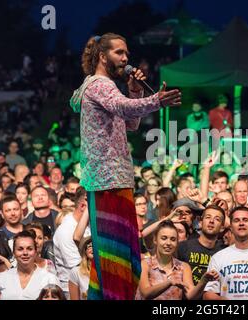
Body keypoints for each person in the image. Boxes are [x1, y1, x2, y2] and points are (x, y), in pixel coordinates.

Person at [70, 32, 181, 300]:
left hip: (113, 180)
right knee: (116, 258)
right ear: (101, 56)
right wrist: (156, 100)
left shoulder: (102, 85)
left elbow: (129, 122)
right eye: (119, 52)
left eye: (127, 53)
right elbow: (124, 107)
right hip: (109, 181)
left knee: (117, 254)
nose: (125, 58)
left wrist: (135, 90)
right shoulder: (99, 85)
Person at [137, 220, 218, 300]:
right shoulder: (145, 264)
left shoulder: (183, 267)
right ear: (155, 240)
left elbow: (190, 295)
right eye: (164, 238)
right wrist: (169, 282)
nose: (168, 243)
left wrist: (203, 281)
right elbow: (145, 294)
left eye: (173, 239)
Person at [0, 230, 60, 300]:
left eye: (29, 249)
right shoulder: (2, 278)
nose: (25, 253)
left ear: (35, 252)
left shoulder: (49, 279)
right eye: (20, 249)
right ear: (14, 253)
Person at [53, 187, 89, 298]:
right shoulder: (66, 230)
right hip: (72, 291)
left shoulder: (91, 224)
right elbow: (78, 267)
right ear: (83, 206)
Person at [177, 205, 225, 285]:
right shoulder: (183, 247)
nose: (211, 221)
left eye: (217, 219)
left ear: (222, 227)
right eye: (208, 217)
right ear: (200, 222)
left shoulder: (224, 252)